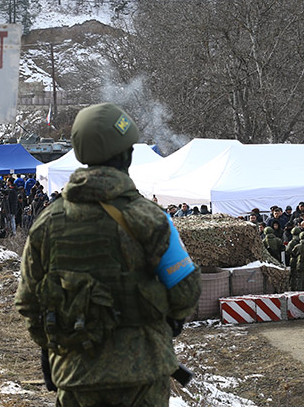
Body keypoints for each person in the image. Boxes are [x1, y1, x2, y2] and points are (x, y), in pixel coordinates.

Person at [15, 102, 201, 406]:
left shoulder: (46, 224)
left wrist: (59, 347)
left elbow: (27, 303)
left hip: (75, 376)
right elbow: (186, 292)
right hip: (143, 374)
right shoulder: (150, 218)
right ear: (127, 155)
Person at [285, 226, 302, 290]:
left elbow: (288, 251)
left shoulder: (291, 242)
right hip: (301, 259)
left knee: (293, 275)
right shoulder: (302, 241)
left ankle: (293, 288)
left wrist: (293, 255)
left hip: (294, 259)